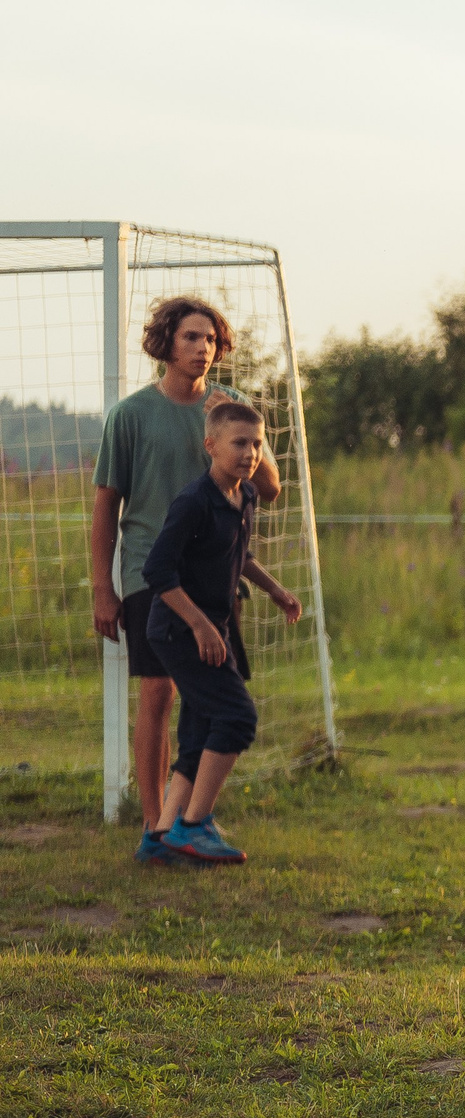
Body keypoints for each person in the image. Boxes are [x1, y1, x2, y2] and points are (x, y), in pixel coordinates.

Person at [89, 295, 282, 861]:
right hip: (154, 571)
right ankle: (154, 827)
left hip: (215, 577)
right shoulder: (131, 415)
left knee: (205, 699)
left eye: (211, 340)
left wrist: (252, 435)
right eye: (191, 338)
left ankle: (186, 822)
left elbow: (267, 489)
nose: (203, 348)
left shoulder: (231, 412)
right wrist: (104, 588)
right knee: (159, 693)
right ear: (166, 344)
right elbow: (106, 509)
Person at [138, 399, 302, 865]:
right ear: (210, 445)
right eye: (239, 443)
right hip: (178, 631)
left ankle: (161, 837)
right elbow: (158, 570)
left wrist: (274, 589)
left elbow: (238, 556)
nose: (250, 453)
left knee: (201, 729)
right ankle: (195, 825)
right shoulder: (193, 501)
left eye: (256, 444)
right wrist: (199, 625)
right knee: (237, 718)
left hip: (215, 628)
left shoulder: (245, 495)